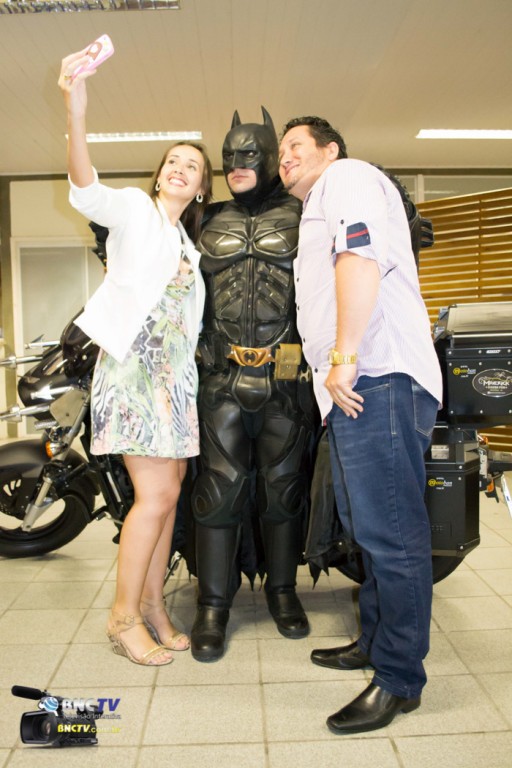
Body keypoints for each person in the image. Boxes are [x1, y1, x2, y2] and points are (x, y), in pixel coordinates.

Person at [278, 116, 442, 733]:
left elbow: (358, 256)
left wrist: (345, 355)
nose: (284, 158)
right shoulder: (320, 199)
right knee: (371, 530)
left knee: (392, 535)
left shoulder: (346, 176)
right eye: (282, 151)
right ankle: (375, 643)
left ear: (330, 150)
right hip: (356, 386)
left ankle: (399, 679)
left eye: (296, 146)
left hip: (377, 375)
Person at [58, 47, 212, 667]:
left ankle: (152, 603)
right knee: (152, 495)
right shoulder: (133, 211)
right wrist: (76, 111)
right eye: (173, 161)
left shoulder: (186, 244)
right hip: (134, 373)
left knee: (169, 493)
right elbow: (85, 189)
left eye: (192, 166)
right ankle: (123, 616)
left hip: (174, 382)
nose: (180, 168)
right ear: (159, 176)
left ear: (201, 188)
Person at [189, 108, 319, 661]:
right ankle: (212, 605)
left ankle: (283, 591)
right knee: (217, 491)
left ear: (270, 157)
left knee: (284, 489)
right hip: (220, 376)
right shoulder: (204, 218)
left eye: (248, 153)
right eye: (228, 155)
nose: (236, 163)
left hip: (286, 374)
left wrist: (403, 226)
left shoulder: (308, 212)